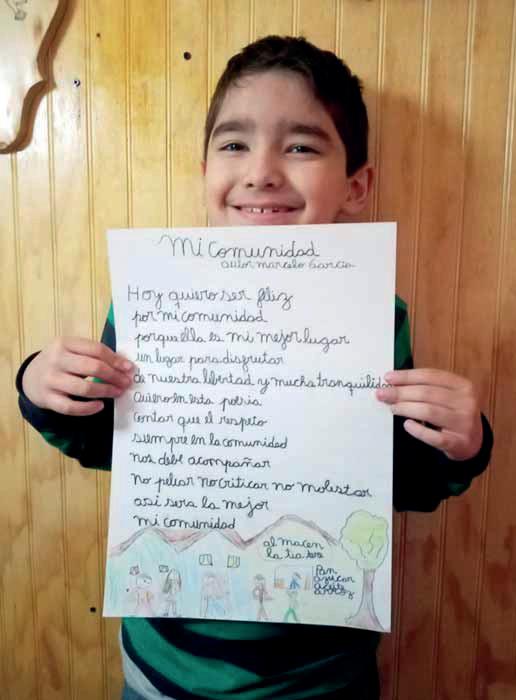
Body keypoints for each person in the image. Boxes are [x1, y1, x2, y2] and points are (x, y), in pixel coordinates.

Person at [16, 36, 493, 700]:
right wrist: (41, 386)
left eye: (300, 147)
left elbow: (401, 482)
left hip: (322, 679)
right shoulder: (153, 303)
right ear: (204, 170)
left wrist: (462, 444)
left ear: (356, 186)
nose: (261, 172)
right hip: (165, 671)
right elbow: (106, 446)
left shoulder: (375, 319)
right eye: (235, 144)